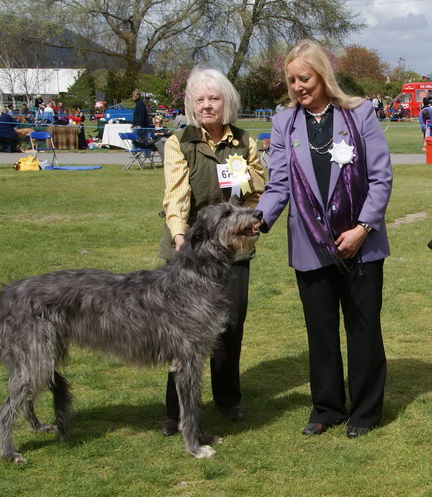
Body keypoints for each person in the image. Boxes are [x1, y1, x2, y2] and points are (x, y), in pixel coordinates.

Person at [256, 39, 392, 439]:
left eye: (306, 77)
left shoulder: (360, 113)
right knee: (320, 329)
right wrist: (257, 221)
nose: (299, 86)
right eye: (292, 79)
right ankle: (327, 407)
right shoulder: (283, 123)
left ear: (322, 75)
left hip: (361, 243)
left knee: (363, 327)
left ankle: (365, 411)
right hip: (309, 243)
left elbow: (381, 178)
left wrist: (363, 229)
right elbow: (278, 183)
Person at [158, 67, 266, 436]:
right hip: (189, 249)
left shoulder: (244, 142)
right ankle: (176, 412)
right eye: (199, 99)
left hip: (233, 248)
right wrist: (179, 237)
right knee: (181, 333)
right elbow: (176, 195)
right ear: (191, 104)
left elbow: (255, 193)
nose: (207, 105)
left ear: (227, 102)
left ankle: (227, 399)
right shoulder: (180, 141)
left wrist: (249, 217)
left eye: (214, 98)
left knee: (229, 326)